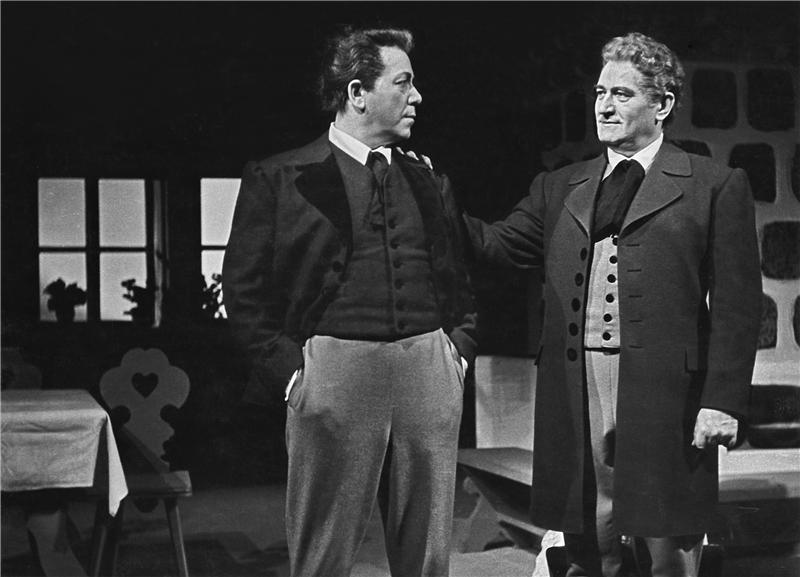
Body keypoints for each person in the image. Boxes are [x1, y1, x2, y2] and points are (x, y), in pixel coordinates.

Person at [462, 32, 761, 576]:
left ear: (662, 104)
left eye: (621, 94)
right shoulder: (561, 186)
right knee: (589, 528)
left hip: (668, 388)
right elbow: (496, 245)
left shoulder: (711, 184)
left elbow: (738, 306)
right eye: (600, 93)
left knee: (668, 535)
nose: (603, 106)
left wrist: (722, 400)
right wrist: (430, 202)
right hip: (578, 381)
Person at [222, 26, 477, 577]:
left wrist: (455, 353)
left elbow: (457, 278)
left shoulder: (429, 178)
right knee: (323, 553)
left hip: (428, 369)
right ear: (357, 93)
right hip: (333, 374)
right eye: (403, 83)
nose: (417, 96)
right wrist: (294, 376)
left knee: (428, 554)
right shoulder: (280, 177)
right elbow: (243, 292)